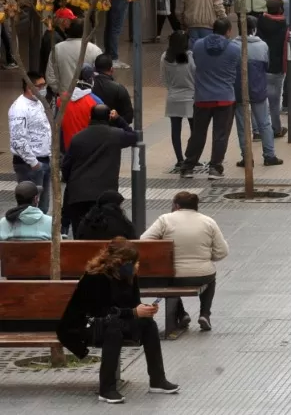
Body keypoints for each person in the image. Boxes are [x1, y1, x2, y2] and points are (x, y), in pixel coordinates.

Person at [57, 238, 179, 403]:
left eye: (134, 261)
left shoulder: (129, 275)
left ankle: (157, 380)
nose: (133, 265)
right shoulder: (96, 277)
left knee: (148, 324)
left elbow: (133, 304)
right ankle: (106, 389)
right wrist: (133, 312)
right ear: (116, 261)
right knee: (113, 330)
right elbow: (100, 311)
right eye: (129, 262)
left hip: (116, 320)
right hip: (88, 325)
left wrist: (145, 309)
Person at [140, 191, 229, 332]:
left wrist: (162, 256)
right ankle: (205, 314)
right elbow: (222, 251)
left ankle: (182, 315)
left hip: (173, 274)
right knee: (211, 280)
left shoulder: (165, 219)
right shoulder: (208, 221)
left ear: (176, 205)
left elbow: (143, 242)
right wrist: (207, 258)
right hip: (202, 274)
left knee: (169, 282)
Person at [63, 103, 138, 233]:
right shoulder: (116, 135)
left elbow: (66, 166)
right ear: (109, 117)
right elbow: (134, 136)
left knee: (80, 234)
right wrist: (119, 119)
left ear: (90, 116)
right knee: (103, 233)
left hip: (78, 193)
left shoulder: (77, 138)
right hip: (104, 195)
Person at [182, 18, 242, 179]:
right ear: (228, 31)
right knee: (220, 134)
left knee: (198, 133)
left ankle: (188, 166)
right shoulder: (235, 49)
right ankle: (215, 167)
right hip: (225, 98)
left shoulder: (198, 45)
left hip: (202, 97)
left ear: (212, 29)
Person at [233, 15, 281, 168]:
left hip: (238, 90)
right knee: (264, 124)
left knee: (242, 125)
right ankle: (269, 155)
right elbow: (266, 66)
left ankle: (246, 158)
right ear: (254, 29)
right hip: (258, 89)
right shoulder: (263, 46)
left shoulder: (232, 46)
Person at [10, 72, 53, 213]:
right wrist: (34, 163)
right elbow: (18, 140)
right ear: (29, 87)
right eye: (39, 86)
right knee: (30, 209)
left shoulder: (39, 102)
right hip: (29, 165)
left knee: (43, 207)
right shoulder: (19, 108)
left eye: (44, 85)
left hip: (43, 160)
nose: (43, 88)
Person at [46, 18, 103, 101]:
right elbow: (100, 77)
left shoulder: (57, 49)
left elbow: (50, 77)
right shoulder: (95, 50)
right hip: (88, 98)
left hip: (64, 99)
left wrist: (61, 92)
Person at [162, 31, 195, 172]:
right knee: (195, 130)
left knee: (175, 130)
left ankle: (179, 159)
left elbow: (164, 79)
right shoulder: (190, 57)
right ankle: (191, 156)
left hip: (173, 97)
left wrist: (172, 88)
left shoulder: (165, 57)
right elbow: (195, 75)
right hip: (191, 97)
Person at [257, 0, 289, 138]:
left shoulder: (260, 21)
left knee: (259, 100)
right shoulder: (284, 25)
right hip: (276, 68)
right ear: (280, 9)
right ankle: (276, 129)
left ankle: (259, 130)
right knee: (275, 102)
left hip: (261, 66)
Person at [92, 53, 134, 127]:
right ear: (112, 69)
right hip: (114, 132)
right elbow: (129, 117)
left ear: (95, 69)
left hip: (91, 132)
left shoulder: (87, 87)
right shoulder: (119, 88)